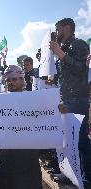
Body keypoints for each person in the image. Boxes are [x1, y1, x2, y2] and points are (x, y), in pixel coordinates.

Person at [50, 17, 91, 187]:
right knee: (67, 141)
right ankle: (71, 174)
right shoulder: (64, 48)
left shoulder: (79, 44)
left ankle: (87, 179)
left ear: (66, 28)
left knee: (81, 141)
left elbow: (81, 69)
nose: (56, 32)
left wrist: (60, 53)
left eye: (58, 28)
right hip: (66, 100)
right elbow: (66, 74)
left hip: (77, 100)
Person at [0, 65, 43, 189]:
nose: (10, 82)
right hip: (7, 152)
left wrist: (59, 110)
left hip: (28, 153)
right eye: (7, 80)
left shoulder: (36, 99)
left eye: (14, 79)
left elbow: (48, 117)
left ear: (23, 80)